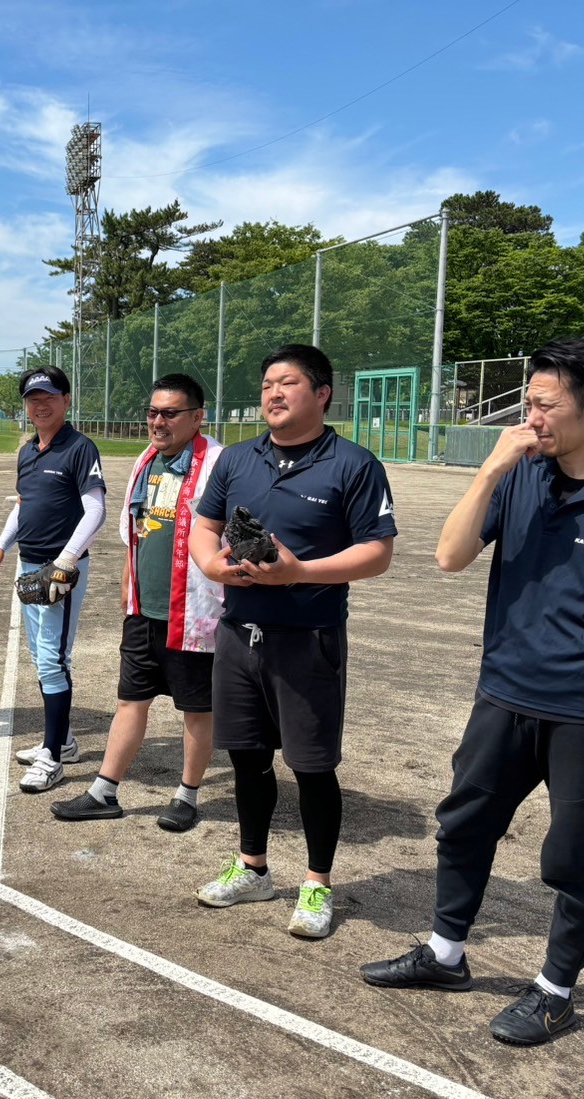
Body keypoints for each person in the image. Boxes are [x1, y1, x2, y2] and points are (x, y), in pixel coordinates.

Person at [359, 338, 584, 1045]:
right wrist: (489, 470)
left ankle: (554, 991)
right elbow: (448, 556)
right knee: (463, 825)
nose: (529, 417)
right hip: (503, 695)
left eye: (544, 405)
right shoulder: (515, 476)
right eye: (527, 401)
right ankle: (445, 954)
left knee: (575, 857)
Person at [188, 343, 396, 940]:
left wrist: (297, 572)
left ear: (322, 393)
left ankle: (316, 882)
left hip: (308, 637)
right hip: (238, 633)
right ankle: (254, 866)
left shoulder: (353, 464)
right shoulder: (237, 460)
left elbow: (378, 552)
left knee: (310, 766)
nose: (273, 394)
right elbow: (206, 526)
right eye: (266, 385)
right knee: (247, 758)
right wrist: (212, 566)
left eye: (288, 384)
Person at [50, 373, 223, 830]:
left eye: (170, 413)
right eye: (152, 412)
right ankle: (104, 791)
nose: (158, 422)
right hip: (144, 611)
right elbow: (134, 535)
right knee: (130, 700)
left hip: (195, 614)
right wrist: (129, 595)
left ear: (197, 416)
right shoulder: (146, 461)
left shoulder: (219, 463)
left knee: (196, 709)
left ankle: (187, 795)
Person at [0, 365, 106, 784]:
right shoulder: (27, 451)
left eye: (49, 396)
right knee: (41, 657)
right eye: (33, 398)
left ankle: (52, 757)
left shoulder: (79, 448)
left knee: (54, 660)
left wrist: (68, 559)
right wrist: (2, 545)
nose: (40, 404)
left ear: (66, 401)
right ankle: (65, 740)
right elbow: (23, 506)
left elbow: (95, 509)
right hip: (30, 563)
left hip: (61, 571)